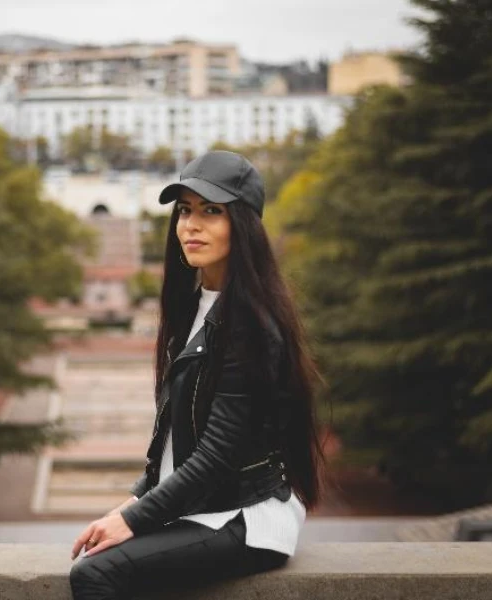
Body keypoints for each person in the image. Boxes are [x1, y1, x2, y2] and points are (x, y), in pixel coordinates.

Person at [69, 150, 327, 600]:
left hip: (244, 518)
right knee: (96, 555)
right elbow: (174, 441)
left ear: (242, 224)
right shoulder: (194, 306)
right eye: (185, 210)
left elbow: (215, 458)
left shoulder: (248, 324)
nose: (191, 224)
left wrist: (131, 520)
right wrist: (135, 500)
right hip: (207, 507)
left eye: (212, 212)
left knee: (94, 574)